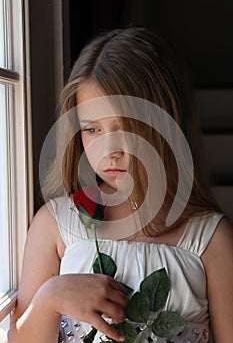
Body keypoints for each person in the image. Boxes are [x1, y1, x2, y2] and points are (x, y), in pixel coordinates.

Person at [2, 27, 233, 343]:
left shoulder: (210, 238)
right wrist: (50, 297)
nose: (109, 150)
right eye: (93, 130)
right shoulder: (55, 224)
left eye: (127, 127)